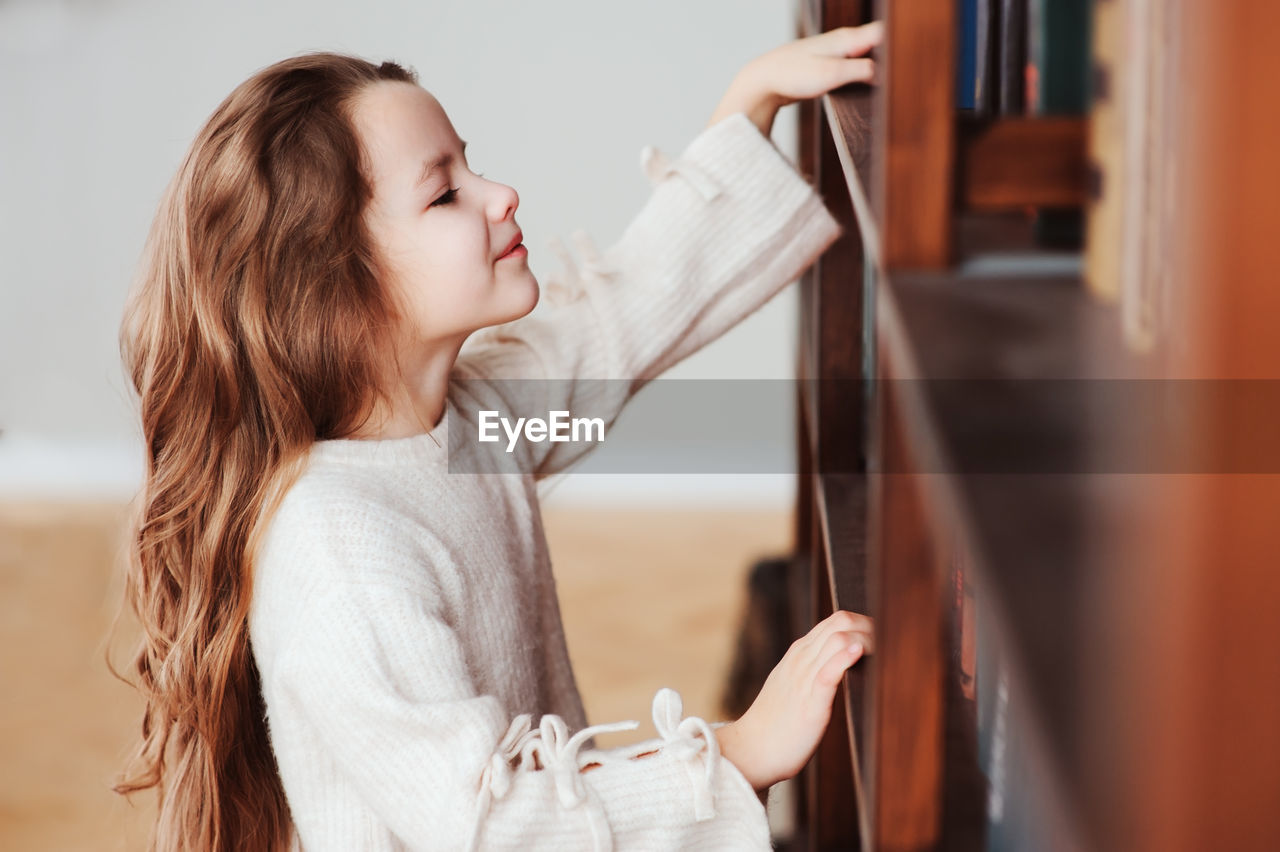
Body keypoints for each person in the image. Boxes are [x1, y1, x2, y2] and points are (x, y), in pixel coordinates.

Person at [112, 21, 883, 852]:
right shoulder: (336, 543)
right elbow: (487, 820)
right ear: (332, 291)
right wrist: (739, 753)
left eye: (469, 166)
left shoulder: (470, 420)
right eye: (444, 193)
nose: (499, 192)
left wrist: (752, 99)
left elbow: (620, 318)